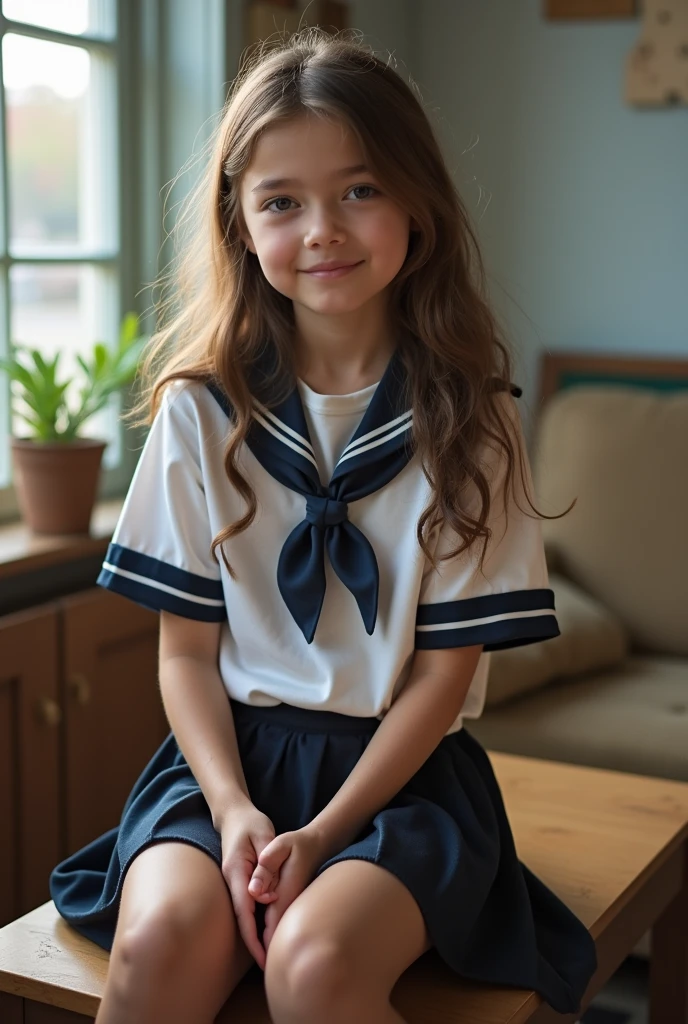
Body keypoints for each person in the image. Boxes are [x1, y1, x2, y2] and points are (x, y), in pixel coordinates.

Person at [50, 27, 597, 1024]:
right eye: (280, 202)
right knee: (161, 939)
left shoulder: (474, 418)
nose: (322, 230)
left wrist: (327, 828)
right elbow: (184, 659)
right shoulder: (199, 411)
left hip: (403, 783)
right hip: (226, 769)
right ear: (241, 224)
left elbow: (442, 680)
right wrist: (234, 811)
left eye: (359, 190)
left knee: (311, 965)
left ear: (416, 203)